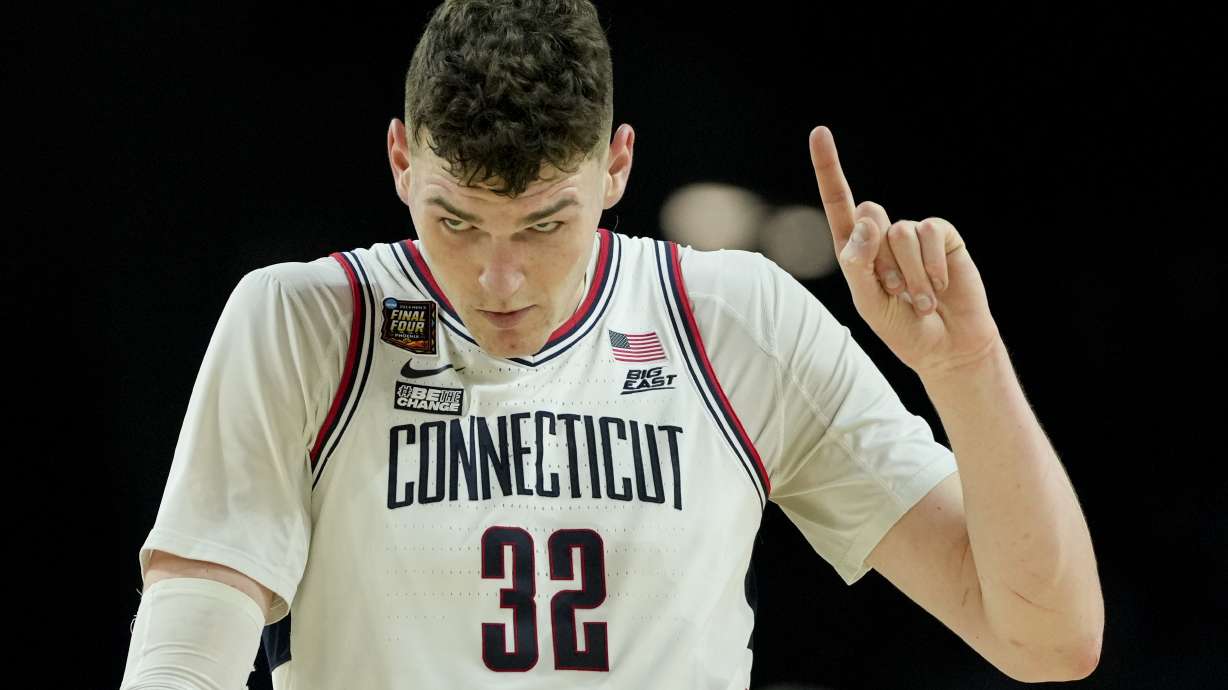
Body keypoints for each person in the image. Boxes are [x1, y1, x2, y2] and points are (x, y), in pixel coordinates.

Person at [121, 1, 1104, 688]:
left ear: (617, 165)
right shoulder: (305, 321)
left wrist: (962, 371)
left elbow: (1044, 636)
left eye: (545, 225)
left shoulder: (737, 320)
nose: (498, 280)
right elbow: (192, 631)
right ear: (399, 159)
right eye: (456, 222)